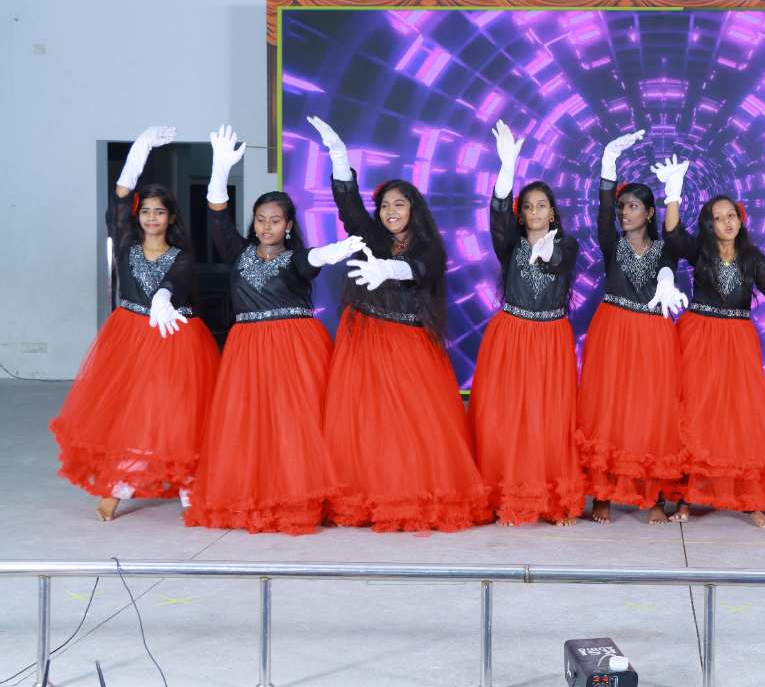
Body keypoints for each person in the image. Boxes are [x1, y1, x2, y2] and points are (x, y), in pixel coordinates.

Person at [307, 116, 492, 532]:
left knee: (414, 426)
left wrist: (390, 268)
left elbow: (421, 269)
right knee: (364, 423)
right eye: (385, 205)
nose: (391, 211)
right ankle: (366, 497)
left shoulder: (429, 246)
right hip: (364, 339)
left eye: (400, 204)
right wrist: (338, 157)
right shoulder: (369, 235)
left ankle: (411, 498)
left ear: (414, 210)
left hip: (408, 344)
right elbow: (348, 206)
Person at [184, 125, 365, 535]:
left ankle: (301, 496)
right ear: (254, 222)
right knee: (250, 422)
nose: (267, 227)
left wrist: (332, 251)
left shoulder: (298, 257)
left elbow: (312, 259)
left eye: (275, 220)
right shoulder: (238, 252)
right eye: (261, 219)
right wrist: (219, 170)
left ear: (288, 225)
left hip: (293, 347)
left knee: (295, 422)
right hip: (247, 347)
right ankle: (252, 494)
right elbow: (217, 217)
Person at [51, 126, 220, 521]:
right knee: (132, 412)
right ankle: (120, 485)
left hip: (174, 338)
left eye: (160, 212)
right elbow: (119, 200)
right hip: (129, 336)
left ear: (171, 217)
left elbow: (176, 281)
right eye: (146, 211)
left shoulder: (181, 255)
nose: (152, 217)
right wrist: (138, 152)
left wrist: (164, 296)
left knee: (175, 412)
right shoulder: (126, 243)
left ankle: (188, 485)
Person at [655, 154, 765, 528]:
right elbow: (673, 236)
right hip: (700, 336)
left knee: (741, 415)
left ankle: (751, 499)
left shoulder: (750, 255)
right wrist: (673, 193)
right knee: (697, 412)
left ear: (740, 219)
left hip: (737, 339)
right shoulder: (700, 251)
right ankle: (687, 496)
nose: (727, 221)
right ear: (710, 225)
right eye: (718, 217)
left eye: (731, 215)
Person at [468, 120, 585, 526]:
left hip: (551, 338)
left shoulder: (568, 244)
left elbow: (558, 261)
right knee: (506, 418)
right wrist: (507, 169)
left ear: (553, 213)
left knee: (548, 418)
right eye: (529, 206)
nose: (534, 212)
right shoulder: (510, 245)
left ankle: (551, 500)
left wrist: (547, 252)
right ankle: (505, 495)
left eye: (541, 206)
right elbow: (498, 215)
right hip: (511, 336)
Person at [578, 129, 689, 524]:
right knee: (608, 407)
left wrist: (666, 279)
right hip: (613, 329)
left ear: (649, 213)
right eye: (622, 205)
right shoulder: (612, 242)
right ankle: (603, 493)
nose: (625, 212)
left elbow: (670, 262)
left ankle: (652, 494)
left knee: (651, 410)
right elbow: (603, 211)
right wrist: (608, 164)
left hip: (654, 334)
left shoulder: (664, 247)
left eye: (633, 206)